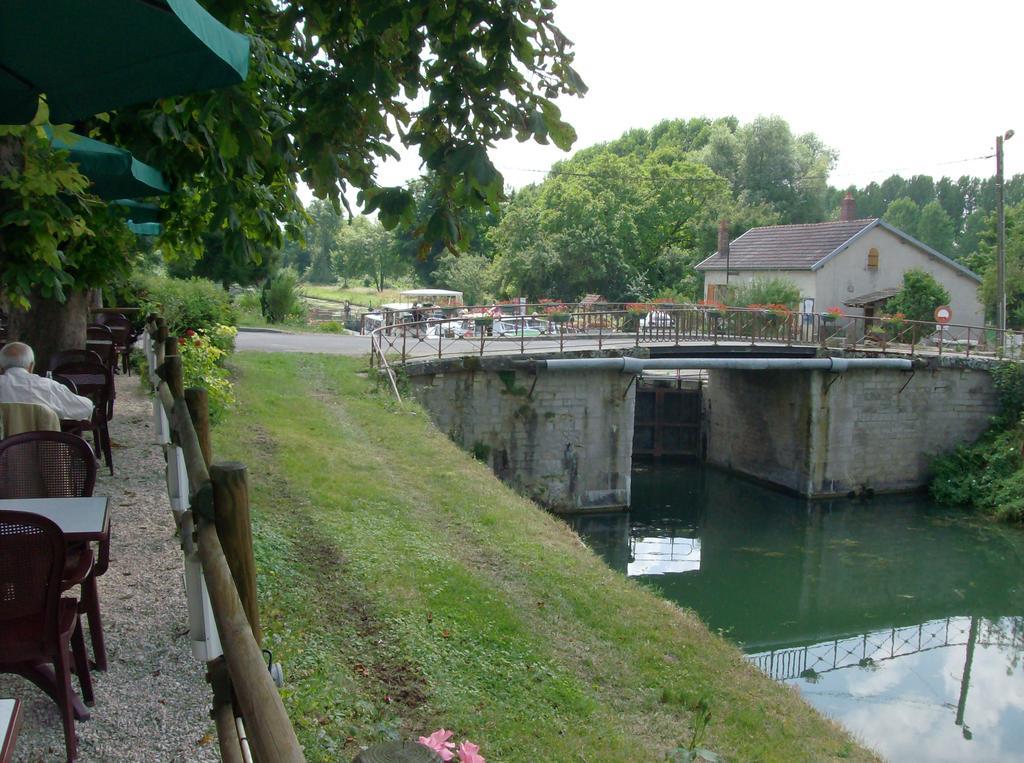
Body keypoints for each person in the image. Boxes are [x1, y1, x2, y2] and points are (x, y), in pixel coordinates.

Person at [0, 342, 94, 421]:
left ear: (1, 368)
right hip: (41, 442)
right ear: (31, 366)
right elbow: (85, 408)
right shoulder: (48, 386)